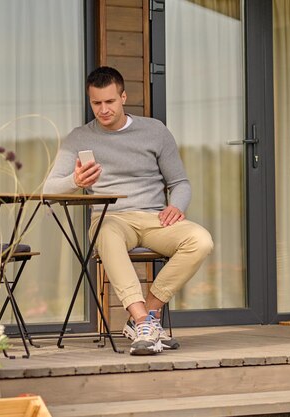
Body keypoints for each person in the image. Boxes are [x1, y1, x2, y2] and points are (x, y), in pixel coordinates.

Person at [43, 66, 213, 355]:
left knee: (201, 240)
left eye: (110, 101)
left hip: (155, 218)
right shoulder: (79, 138)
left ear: (123, 97)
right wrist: (75, 181)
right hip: (111, 218)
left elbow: (180, 182)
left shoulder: (154, 130)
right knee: (106, 232)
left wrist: (176, 206)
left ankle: (147, 316)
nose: (103, 109)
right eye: (96, 103)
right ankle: (142, 321)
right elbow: (47, 189)